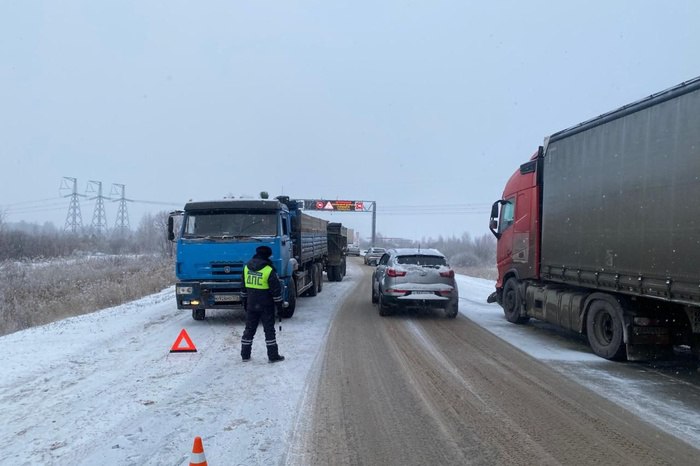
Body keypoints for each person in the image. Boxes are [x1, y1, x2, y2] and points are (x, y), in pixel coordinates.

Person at [240, 245, 285, 363]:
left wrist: (244, 301)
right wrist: (279, 305)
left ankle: (245, 354)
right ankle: (273, 355)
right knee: (269, 330)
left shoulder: (246, 267)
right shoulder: (269, 270)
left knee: (249, 329)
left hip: (251, 304)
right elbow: (276, 291)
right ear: (267, 256)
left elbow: (243, 287)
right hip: (266, 305)